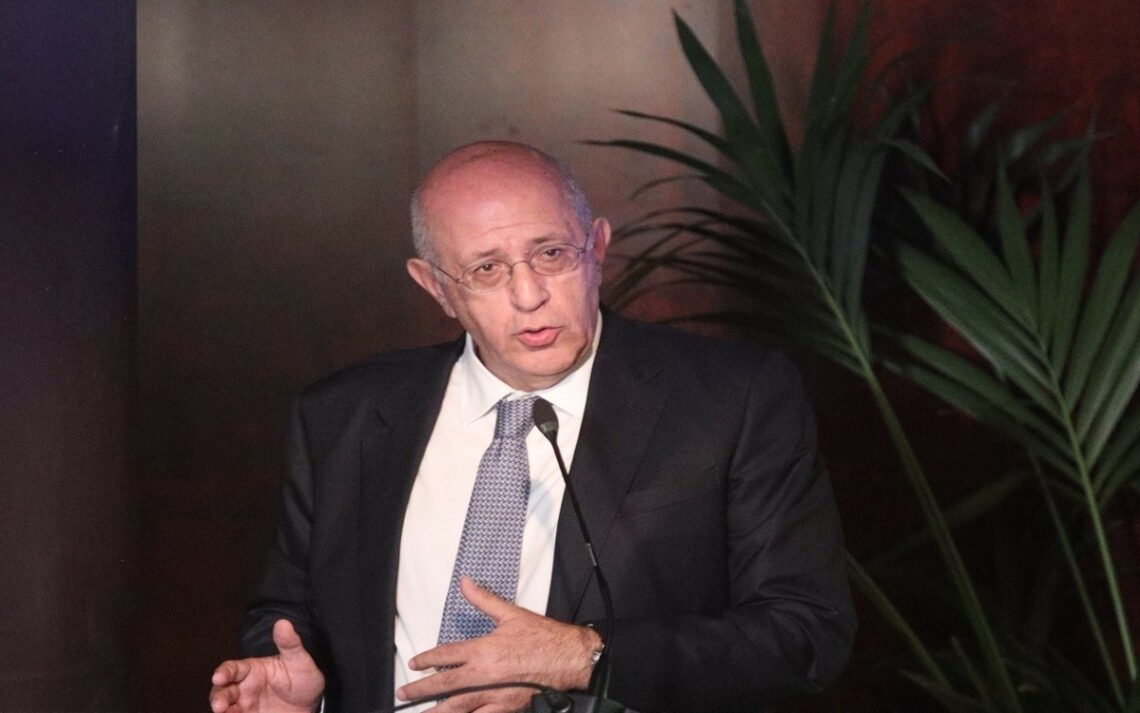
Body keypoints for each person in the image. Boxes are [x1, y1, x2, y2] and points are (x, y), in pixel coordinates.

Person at [209, 141, 855, 713]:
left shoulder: (732, 399)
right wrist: (304, 693)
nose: (529, 296)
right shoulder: (343, 415)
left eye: (551, 254)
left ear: (597, 247)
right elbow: (290, 615)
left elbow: (807, 633)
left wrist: (584, 657)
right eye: (486, 269)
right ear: (436, 287)